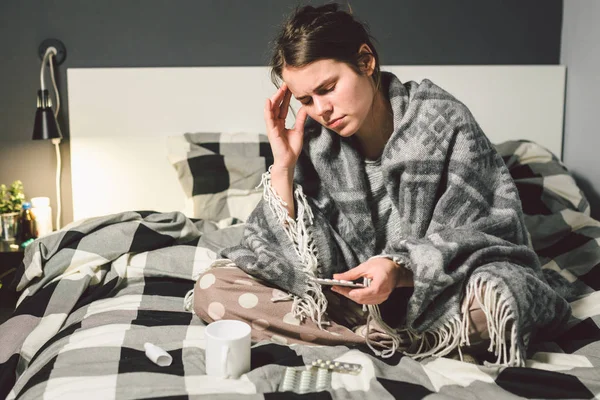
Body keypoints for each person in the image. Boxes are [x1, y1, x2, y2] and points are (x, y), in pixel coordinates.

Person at [194, 3, 571, 366]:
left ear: (365, 61)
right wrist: (283, 165)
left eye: (327, 88)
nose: (320, 110)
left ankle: (378, 336)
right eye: (305, 99)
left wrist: (401, 268)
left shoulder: (443, 120)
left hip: (435, 292)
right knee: (213, 288)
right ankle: (383, 341)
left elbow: (489, 231)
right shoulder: (314, 142)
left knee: (503, 301)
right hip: (348, 301)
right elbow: (278, 251)